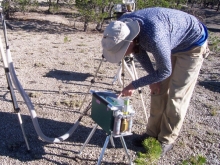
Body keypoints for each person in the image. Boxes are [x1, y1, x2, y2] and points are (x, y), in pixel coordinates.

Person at [101, 7, 209, 156]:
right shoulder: (121, 27)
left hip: (192, 45)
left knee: (177, 95)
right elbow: (138, 50)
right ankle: (151, 134)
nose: (122, 54)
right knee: (157, 89)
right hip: (171, 41)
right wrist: (152, 77)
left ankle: (166, 139)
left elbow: (165, 71)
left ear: (130, 41)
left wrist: (134, 84)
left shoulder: (155, 37)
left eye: (122, 50)